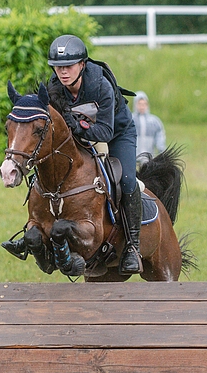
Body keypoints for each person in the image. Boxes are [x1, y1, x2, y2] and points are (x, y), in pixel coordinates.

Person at [45, 34, 143, 275]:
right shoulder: (55, 87)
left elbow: (106, 132)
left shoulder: (101, 86)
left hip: (117, 133)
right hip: (81, 136)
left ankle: (132, 247)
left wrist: (77, 126)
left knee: (128, 180)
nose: (62, 72)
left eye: (68, 66)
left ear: (82, 65)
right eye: (58, 67)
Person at [132, 91, 166, 157]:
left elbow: (160, 137)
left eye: (144, 104)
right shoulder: (131, 120)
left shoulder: (154, 122)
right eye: (139, 104)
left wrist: (161, 151)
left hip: (149, 156)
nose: (142, 107)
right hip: (134, 156)